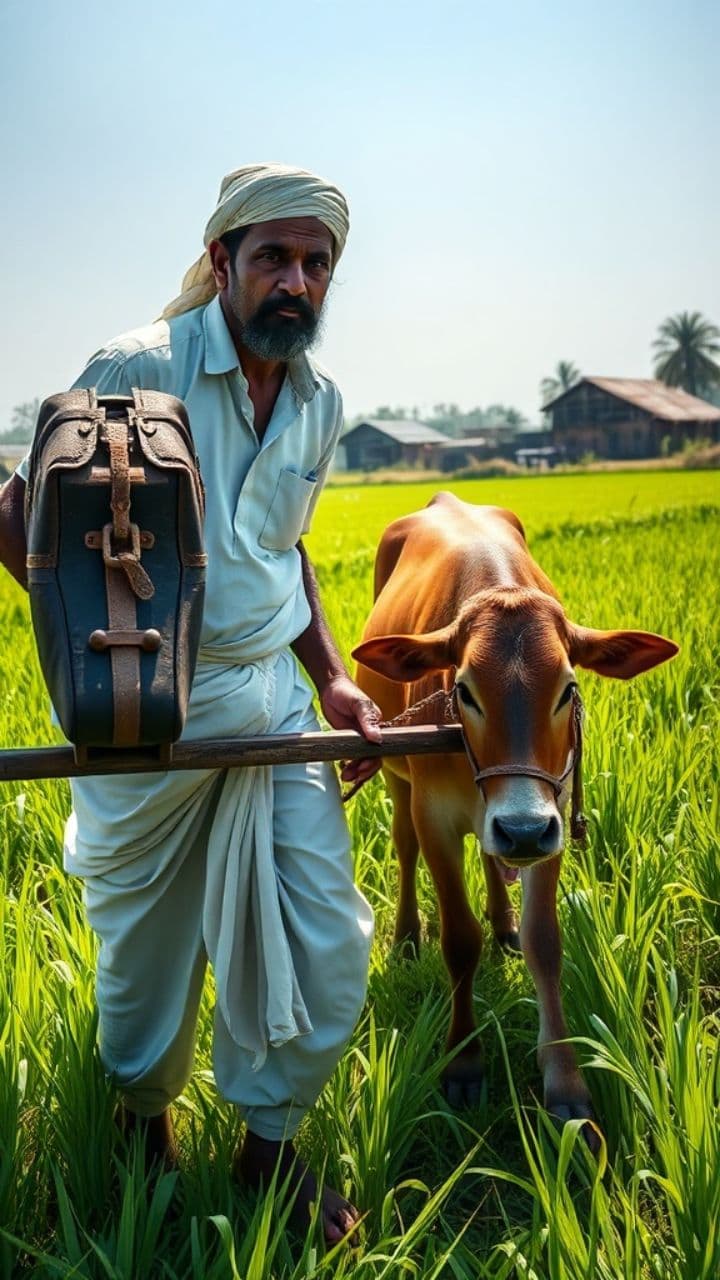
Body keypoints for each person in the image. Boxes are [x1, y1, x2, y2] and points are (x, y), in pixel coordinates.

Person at [0, 163, 382, 1243]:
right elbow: (22, 509)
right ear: (223, 261)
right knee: (144, 962)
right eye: (273, 257)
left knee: (329, 940)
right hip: (146, 718)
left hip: (270, 704)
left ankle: (268, 1150)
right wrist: (89, 650)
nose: (296, 280)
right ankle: (140, 1130)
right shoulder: (138, 366)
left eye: (316, 262)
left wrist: (336, 678)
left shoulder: (319, 400)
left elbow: (282, 544)